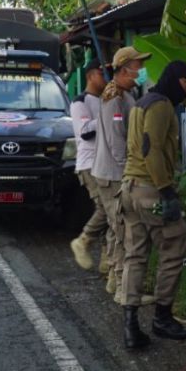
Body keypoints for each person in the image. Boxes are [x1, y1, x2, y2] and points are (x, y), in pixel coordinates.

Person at [119, 59, 186, 350]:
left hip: (129, 189)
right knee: (174, 245)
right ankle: (162, 318)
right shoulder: (162, 105)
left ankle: (130, 325)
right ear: (174, 78)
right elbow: (150, 147)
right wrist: (167, 191)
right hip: (150, 189)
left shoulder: (143, 101)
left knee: (135, 255)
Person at [92, 47, 151, 302]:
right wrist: (128, 172)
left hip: (116, 172)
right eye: (139, 66)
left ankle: (116, 282)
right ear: (126, 69)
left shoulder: (125, 94)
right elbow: (117, 142)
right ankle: (121, 287)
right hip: (114, 174)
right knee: (122, 229)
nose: (141, 70)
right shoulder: (114, 98)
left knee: (120, 229)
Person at [69, 59, 111, 273]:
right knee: (106, 209)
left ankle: (107, 261)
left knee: (112, 213)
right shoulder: (81, 102)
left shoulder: (105, 100)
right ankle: (83, 241)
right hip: (89, 164)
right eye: (103, 74)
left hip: (105, 163)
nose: (107, 78)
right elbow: (85, 132)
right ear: (91, 76)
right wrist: (107, 115)